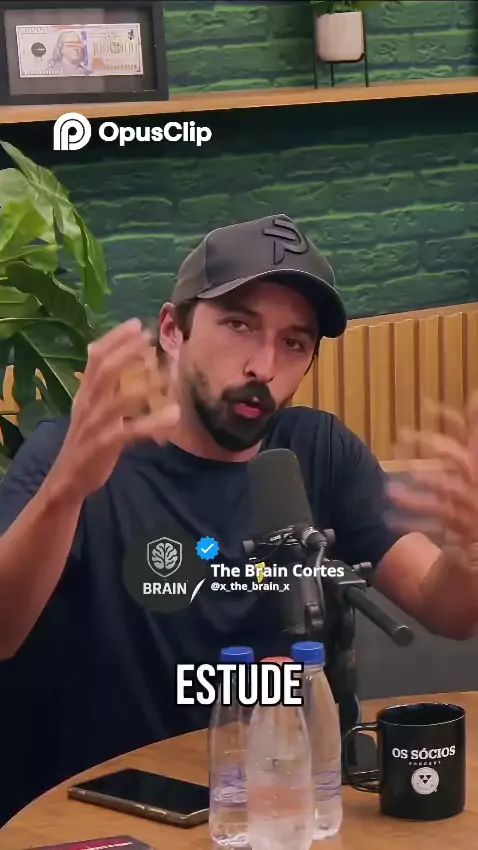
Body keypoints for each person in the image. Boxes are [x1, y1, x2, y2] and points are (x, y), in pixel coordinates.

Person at [1, 212, 478, 822]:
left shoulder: (319, 452)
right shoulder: (75, 457)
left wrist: (468, 553)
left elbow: (447, 609)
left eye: (294, 343)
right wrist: (65, 493)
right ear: (172, 330)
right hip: (103, 816)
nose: (263, 366)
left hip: (283, 810)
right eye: (238, 325)